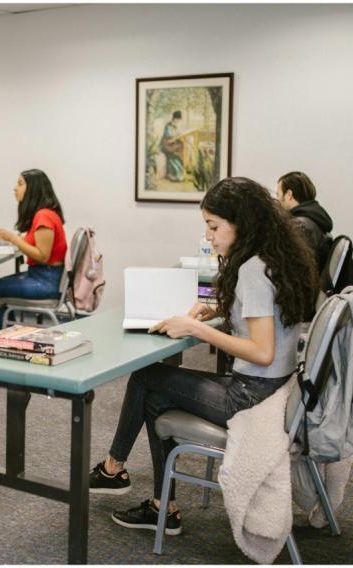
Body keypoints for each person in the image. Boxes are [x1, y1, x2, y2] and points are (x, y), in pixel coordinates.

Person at [88, 177, 318, 536]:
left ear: (242, 223)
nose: (209, 237)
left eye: (213, 227)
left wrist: (196, 328)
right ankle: (144, 492)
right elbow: (265, 325)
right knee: (154, 391)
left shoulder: (253, 270)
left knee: (147, 380)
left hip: (252, 396)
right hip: (276, 388)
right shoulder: (273, 259)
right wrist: (218, 311)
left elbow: (261, 350)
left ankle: (121, 475)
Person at [0, 169, 67, 330]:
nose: (15, 188)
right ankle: (8, 331)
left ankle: (3, 336)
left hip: (45, 281)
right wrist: (8, 238)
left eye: (20, 184)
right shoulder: (45, 214)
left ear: (33, 189)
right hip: (45, 276)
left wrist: (13, 238)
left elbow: (42, 256)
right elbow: (36, 245)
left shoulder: (44, 216)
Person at [276, 171, 334, 269]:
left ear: (289, 194)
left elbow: (290, 267)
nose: (276, 200)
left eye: (278, 194)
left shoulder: (299, 226)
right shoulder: (314, 219)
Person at [159, 111, 185, 182]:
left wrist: (178, 136)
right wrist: (176, 136)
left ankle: (178, 175)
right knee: (173, 156)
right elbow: (169, 137)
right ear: (174, 119)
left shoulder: (175, 126)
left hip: (172, 145)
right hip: (166, 145)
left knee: (180, 149)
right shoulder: (168, 126)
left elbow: (176, 136)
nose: (178, 121)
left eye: (179, 120)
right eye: (177, 120)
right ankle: (172, 175)